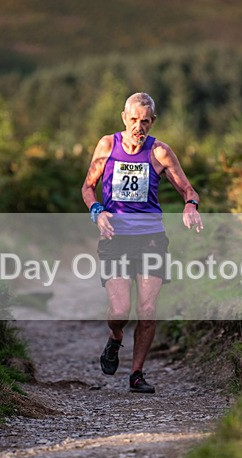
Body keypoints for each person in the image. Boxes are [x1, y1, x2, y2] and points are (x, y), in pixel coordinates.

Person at [81, 92, 203, 393]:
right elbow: (87, 187)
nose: (139, 127)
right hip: (115, 238)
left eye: (145, 121)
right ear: (124, 117)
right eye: (134, 120)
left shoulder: (160, 152)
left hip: (150, 238)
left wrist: (191, 207)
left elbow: (188, 189)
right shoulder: (107, 145)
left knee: (147, 310)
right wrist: (97, 212)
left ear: (153, 122)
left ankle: (136, 373)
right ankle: (116, 338)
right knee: (120, 311)